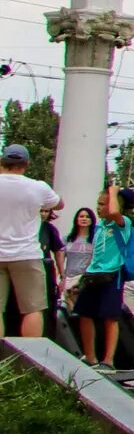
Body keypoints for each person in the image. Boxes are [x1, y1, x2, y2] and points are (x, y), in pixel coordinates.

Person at [67, 186, 134, 366]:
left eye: (102, 204)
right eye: (98, 204)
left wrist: (113, 192)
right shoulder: (99, 227)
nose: (98, 208)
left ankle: (108, 359)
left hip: (112, 274)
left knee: (110, 317)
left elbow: (114, 211)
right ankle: (90, 356)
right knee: (84, 312)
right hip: (94, 273)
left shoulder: (123, 223)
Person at [0, 142, 59, 339]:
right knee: (33, 308)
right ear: (26, 164)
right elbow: (59, 204)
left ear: (2, 161)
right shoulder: (37, 187)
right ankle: (30, 360)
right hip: (27, 254)